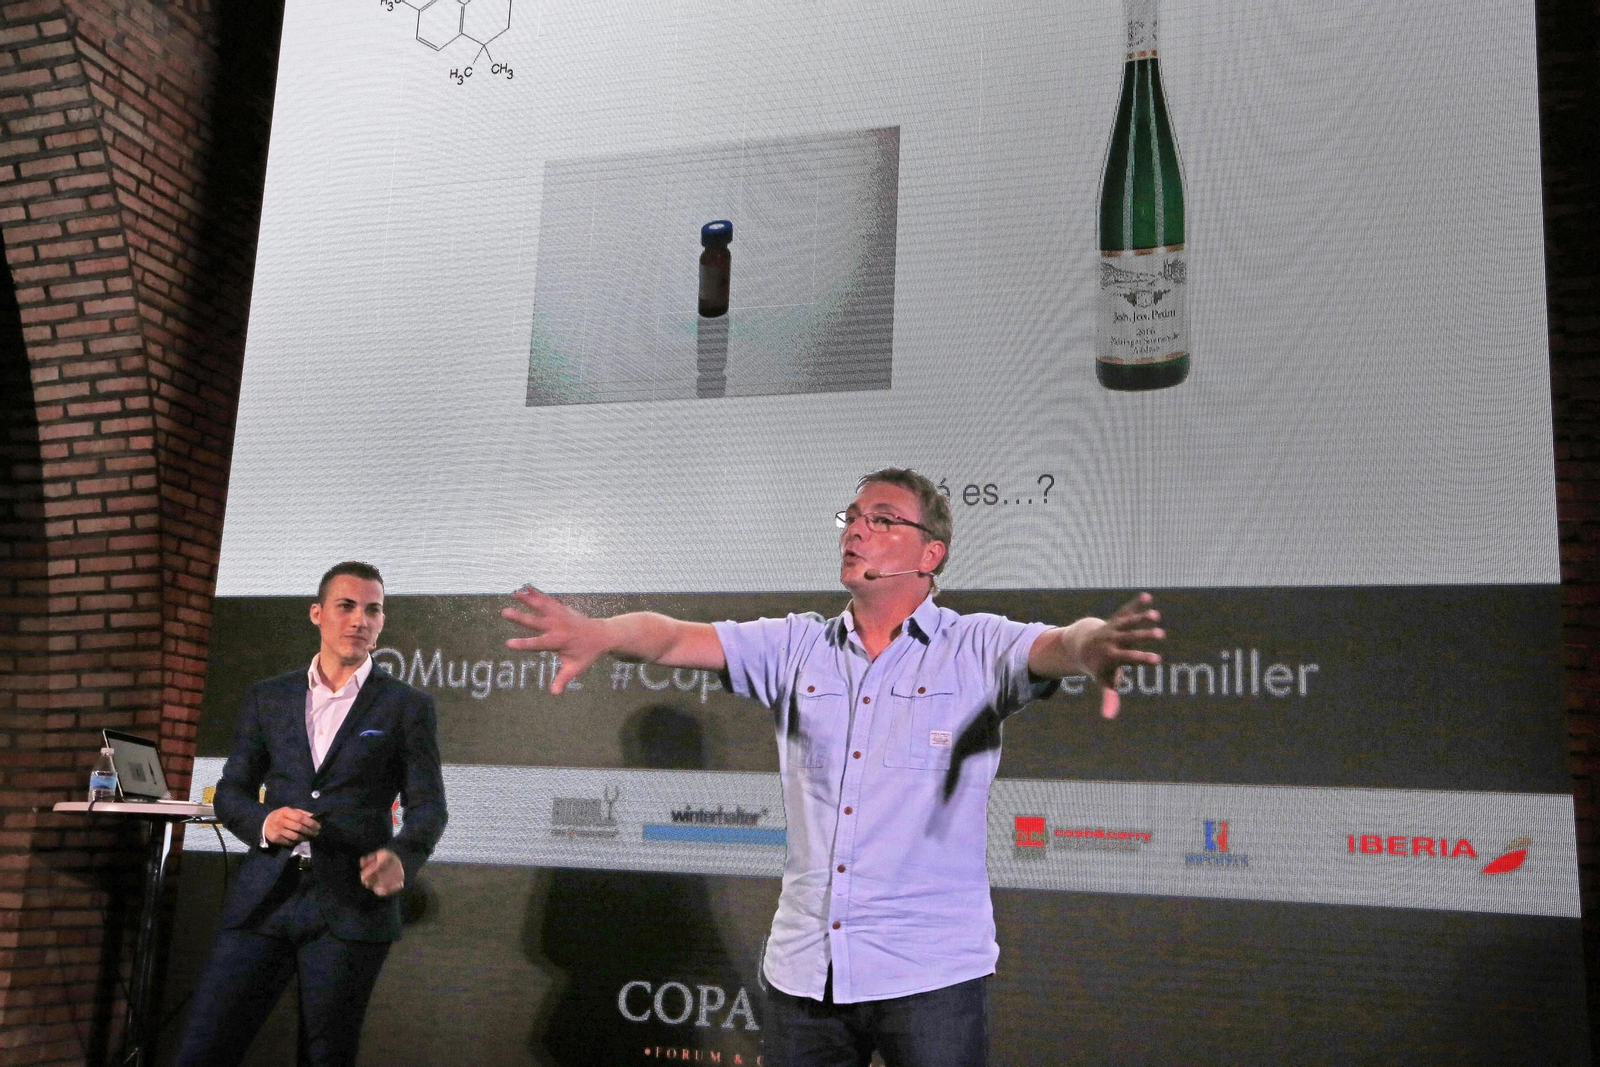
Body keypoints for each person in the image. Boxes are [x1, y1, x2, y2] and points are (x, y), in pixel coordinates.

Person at [502, 469, 1163, 1067]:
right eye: (852, 516)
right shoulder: (796, 646)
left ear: (931, 553)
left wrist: (1092, 643)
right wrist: (602, 632)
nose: (857, 530)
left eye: (882, 518)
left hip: (929, 976)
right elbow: (672, 634)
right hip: (805, 975)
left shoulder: (975, 646)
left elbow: (1058, 643)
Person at [174, 561, 448, 1067]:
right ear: (318, 613)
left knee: (326, 1057)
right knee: (203, 1049)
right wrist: (263, 822)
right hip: (264, 900)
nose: (359, 620)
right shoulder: (268, 697)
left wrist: (403, 857)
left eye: (373, 610)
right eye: (346, 606)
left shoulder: (406, 705)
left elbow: (429, 806)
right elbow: (230, 791)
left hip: (349, 907)